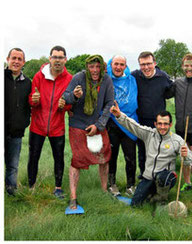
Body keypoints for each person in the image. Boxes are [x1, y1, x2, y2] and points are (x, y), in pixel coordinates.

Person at [110, 103, 192, 206]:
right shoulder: (149, 134)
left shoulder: (177, 140)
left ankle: (161, 201)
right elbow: (133, 126)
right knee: (136, 204)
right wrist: (119, 115)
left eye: (165, 124)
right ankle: (151, 195)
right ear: (155, 124)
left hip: (165, 177)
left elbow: (190, 161)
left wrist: (186, 155)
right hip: (149, 177)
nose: (162, 127)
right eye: (159, 124)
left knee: (164, 178)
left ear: (170, 125)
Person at [63, 55, 114, 209]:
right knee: (77, 160)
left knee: (104, 157)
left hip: (98, 124)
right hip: (78, 124)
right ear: (87, 67)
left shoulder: (107, 80)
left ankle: (104, 191)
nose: (95, 70)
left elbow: (109, 103)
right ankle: (73, 197)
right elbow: (65, 97)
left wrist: (98, 125)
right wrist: (74, 96)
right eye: (92, 67)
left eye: (98, 67)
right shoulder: (79, 77)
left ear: (103, 67)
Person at [27, 46, 73, 199]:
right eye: (55, 57)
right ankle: (31, 186)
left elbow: (71, 102)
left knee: (58, 157)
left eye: (61, 57)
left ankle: (58, 188)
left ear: (65, 59)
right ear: (50, 58)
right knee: (33, 156)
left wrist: (65, 106)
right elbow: (31, 99)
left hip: (57, 126)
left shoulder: (69, 79)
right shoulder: (39, 76)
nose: (57, 60)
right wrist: (33, 100)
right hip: (37, 125)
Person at [168, 54, 192, 195]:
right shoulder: (177, 82)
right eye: (186, 65)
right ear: (183, 66)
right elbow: (166, 93)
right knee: (184, 159)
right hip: (180, 128)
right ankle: (187, 183)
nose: (189, 68)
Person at [132, 51, 174, 179]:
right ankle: (144, 177)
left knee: (159, 151)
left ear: (155, 63)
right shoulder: (135, 76)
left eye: (149, 64)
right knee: (143, 152)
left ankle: (159, 179)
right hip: (140, 120)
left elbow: (170, 92)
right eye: (142, 64)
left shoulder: (163, 77)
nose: (146, 67)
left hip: (159, 123)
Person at [106, 55, 138, 196]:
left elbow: (133, 100)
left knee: (130, 156)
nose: (118, 67)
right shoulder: (106, 79)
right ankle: (111, 184)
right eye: (116, 64)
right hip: (111, 123)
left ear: (125, 66)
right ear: (111, 64)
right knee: (111, 155)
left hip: (128, 123)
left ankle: (131, 185)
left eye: (121, 64)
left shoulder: (132, 80)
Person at [5, 48, 31, 196]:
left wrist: (24, 122)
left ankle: (11, 192)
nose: (16, 61)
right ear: (8, 59)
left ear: (23, 63)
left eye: (19, 59)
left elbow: (29, 105)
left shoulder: (27, 82)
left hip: (16, 132)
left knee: (13, 166)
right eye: (13, 58)